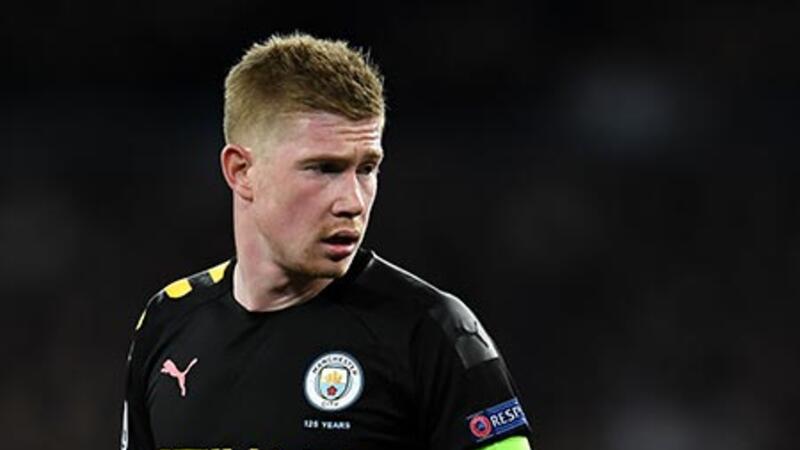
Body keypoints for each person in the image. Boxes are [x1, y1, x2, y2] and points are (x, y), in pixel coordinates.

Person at [121, 33, 532, 450]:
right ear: (241, 171)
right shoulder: (167, 322)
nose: (353, 202)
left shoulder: (434, 333)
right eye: (324, 168)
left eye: (367, 168)